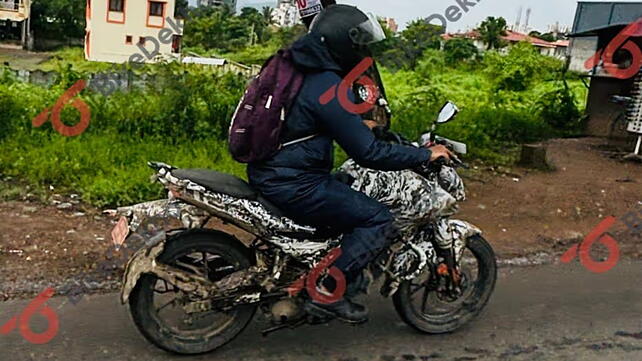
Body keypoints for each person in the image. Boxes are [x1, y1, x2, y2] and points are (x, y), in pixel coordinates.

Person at [247, 5, 454, 323]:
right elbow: (369, 154)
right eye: (360, 44)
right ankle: (327, 293)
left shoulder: (296, 66)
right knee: (377, 219)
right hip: (294, 182)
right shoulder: (326, 85)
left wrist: (358, 128)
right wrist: (426, 154)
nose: (363, 51)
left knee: (344, 196)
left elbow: (310, 122)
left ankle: (312, 269)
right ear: (344, 43)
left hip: (273, 170)